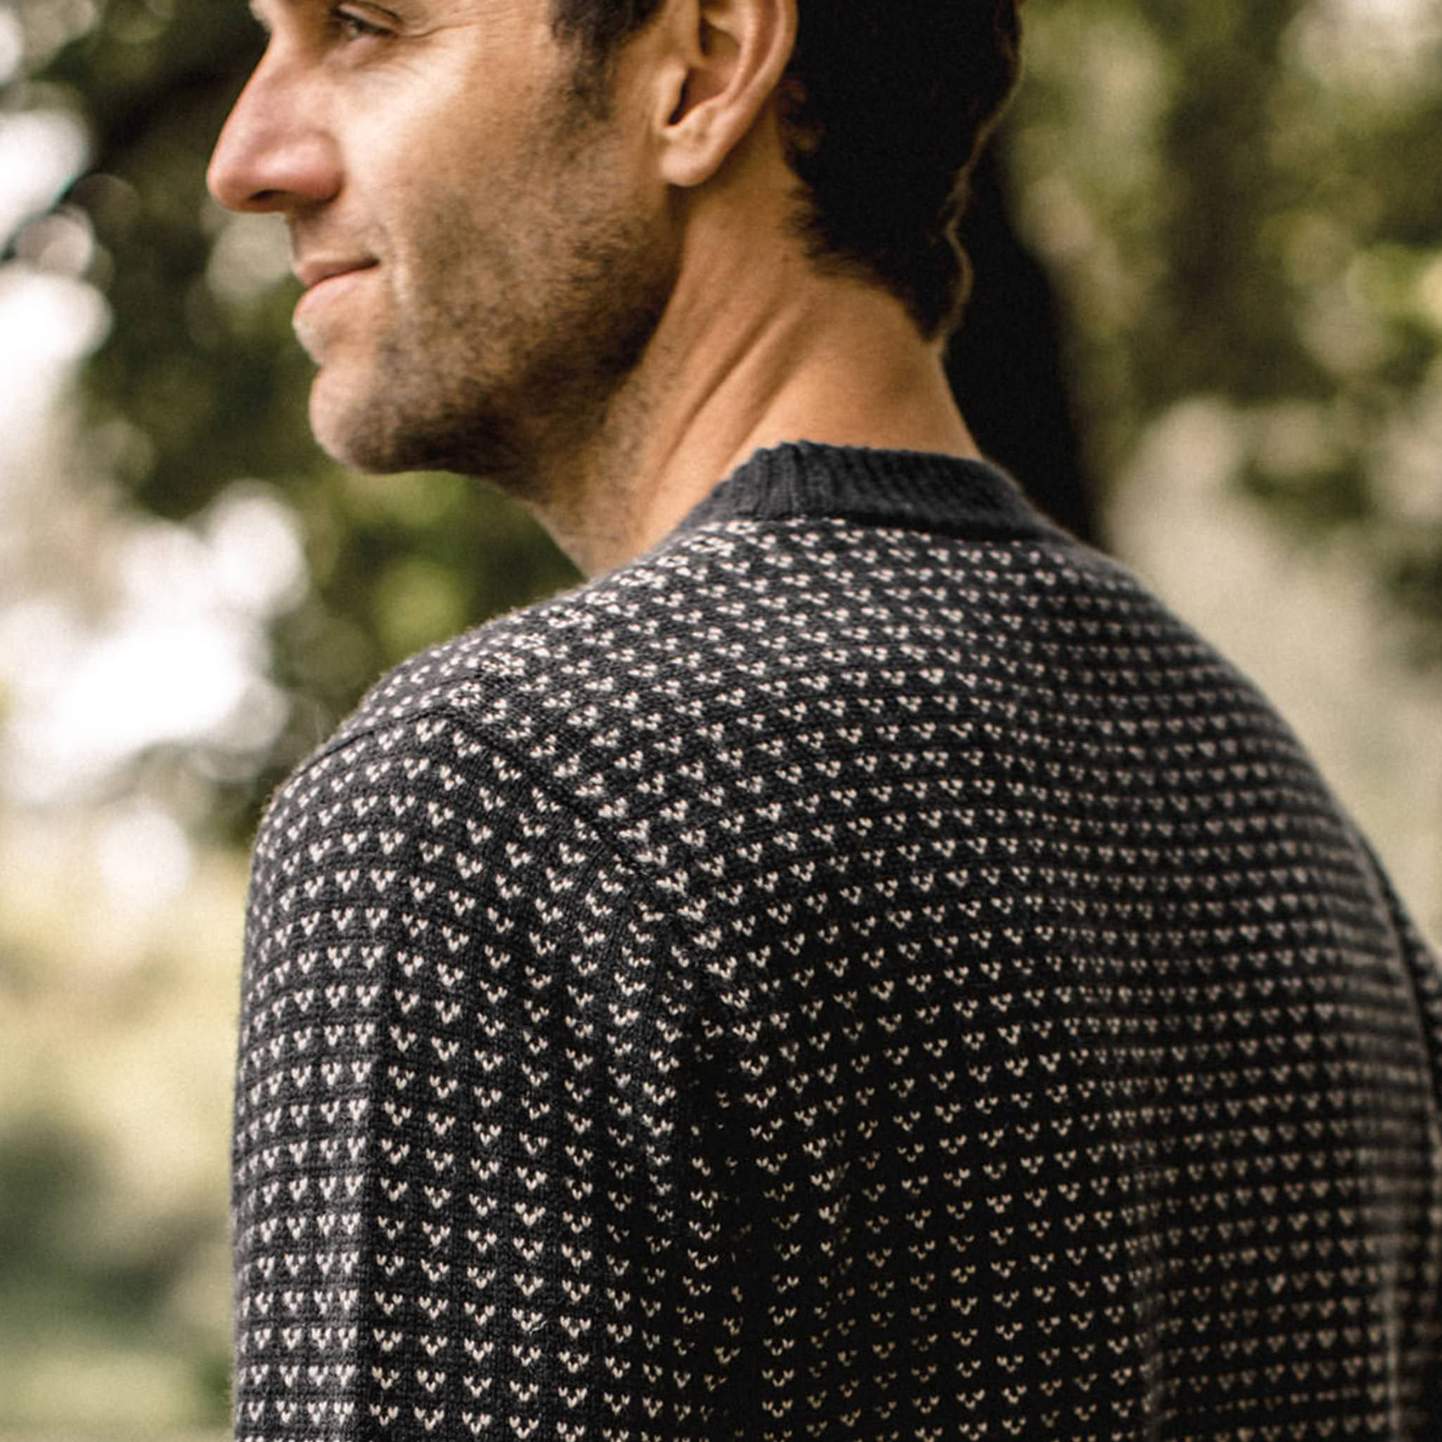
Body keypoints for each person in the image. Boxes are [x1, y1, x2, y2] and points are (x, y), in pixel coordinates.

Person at [206, 0, 1442, 1437]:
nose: (247, 158)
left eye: (365, 24)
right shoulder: (1282, 826)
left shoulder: (492, 804)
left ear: (704, 65)